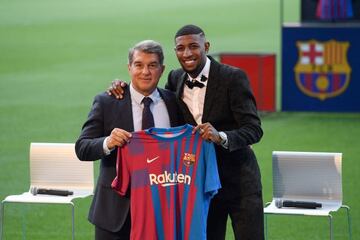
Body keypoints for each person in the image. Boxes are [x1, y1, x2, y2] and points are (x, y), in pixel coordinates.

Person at [108, 24, 264, 240]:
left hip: (239, 182)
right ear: (175, 52)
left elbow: (254, 129)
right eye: (181, 48)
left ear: (206, 46)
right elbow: (151, 92)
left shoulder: (233, 77)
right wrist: (122, 86)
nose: (187, 53)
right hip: (199, 186)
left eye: (193, 46)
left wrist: (221, 137)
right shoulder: (175, 78)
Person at [75, 40, 183, 240]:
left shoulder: (173, 102)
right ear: (129, 67)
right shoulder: (107, 101)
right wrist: (108, 142)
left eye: (152, 65)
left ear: (162, 69)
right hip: (115, 214)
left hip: (162, 211)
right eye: (139, 65)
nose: (145, 72)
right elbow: (82, 148)